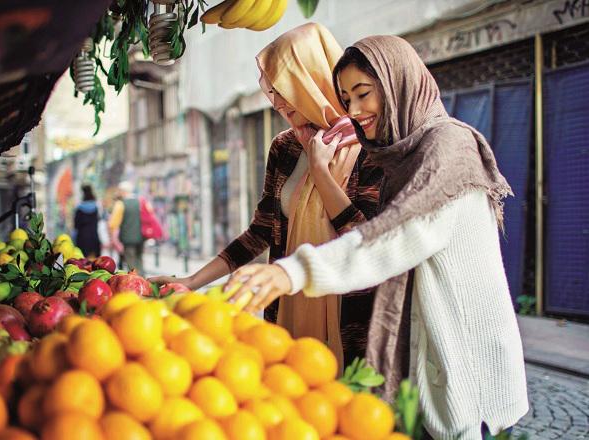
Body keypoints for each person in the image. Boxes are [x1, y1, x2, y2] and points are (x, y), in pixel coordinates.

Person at [226, 36, 528, 439]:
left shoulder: (449, 147)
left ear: (396, 81)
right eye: (346, 97)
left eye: (364, 94)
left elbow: (395, 236)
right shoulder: (398, 151)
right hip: (426, 370)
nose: (353, 110)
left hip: (465, 373)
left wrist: (293, 272)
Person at [150, 23, 382, 367]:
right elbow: (261, 231)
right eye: (270, 90)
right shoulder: (285, 147)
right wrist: (192, 281)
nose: (275, 101)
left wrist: (322, 174)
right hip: (284, 312)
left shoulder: (371, 144)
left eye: (282, 88)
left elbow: (365, 238)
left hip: (353, 327)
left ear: (311, 79)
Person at [108, 181, 145, 274]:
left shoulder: (121, 204)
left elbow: (112, 223)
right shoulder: (140, 201)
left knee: (131, 263)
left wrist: (112, 237)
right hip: (141, 237)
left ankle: (136, 282)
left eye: (119, 190)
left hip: (127, 239)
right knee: (139, 260)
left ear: (123, 191)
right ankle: (144, 280)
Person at [73, 185, 101, 258]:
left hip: (82, 238)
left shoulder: (79, 208)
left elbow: (76, 225)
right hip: (94, 237)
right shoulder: (96, 208)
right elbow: (97, 222)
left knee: (82, 260)